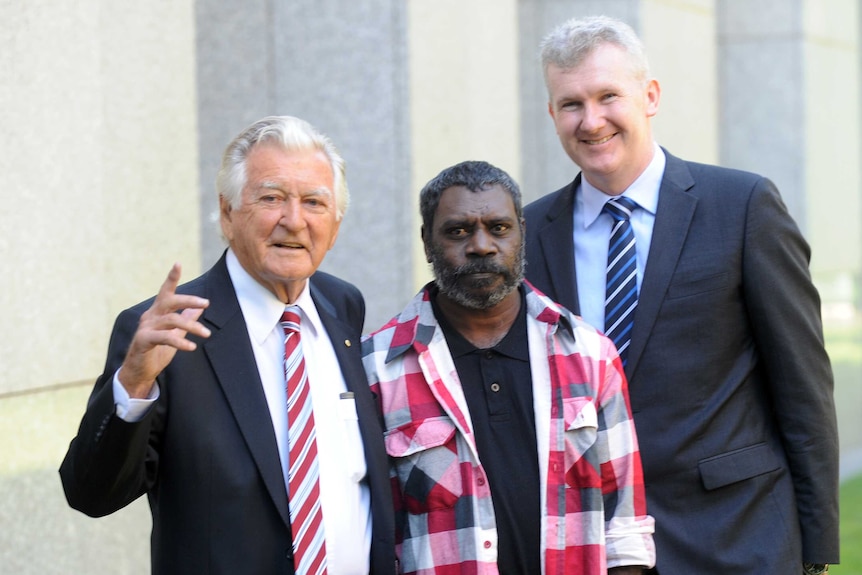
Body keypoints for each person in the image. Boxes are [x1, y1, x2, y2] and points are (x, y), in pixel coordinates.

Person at [523, 15, 839, 575]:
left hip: (736, 535)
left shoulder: (742, 207)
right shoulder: (530, 232)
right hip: (592, 544)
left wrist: (815, 549)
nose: (591, 120)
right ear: (552, 115)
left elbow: (803, 386)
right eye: (571, 104)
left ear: (649, 96)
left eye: (608, 96)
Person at [60, 116, 396, 575]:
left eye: (314, 202)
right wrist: (134, 382)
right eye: (271, 198)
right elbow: (92, 495)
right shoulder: (167, 334)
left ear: (335, 226)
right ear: (227, 212)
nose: (293, 220)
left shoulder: (343, 307)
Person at [362, 160, 656, 575]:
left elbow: (625, 532)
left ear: (521, 232)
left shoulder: (590, 356)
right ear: (427, 242)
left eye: (498, 228)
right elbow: (372, 535)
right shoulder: (376, 369)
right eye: (457, 231)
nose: (481, 246)